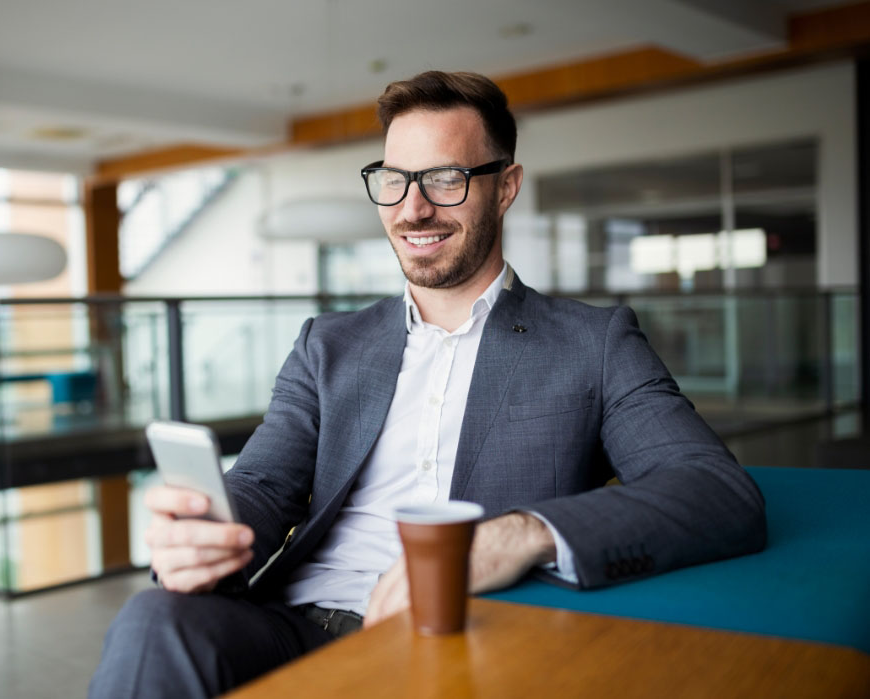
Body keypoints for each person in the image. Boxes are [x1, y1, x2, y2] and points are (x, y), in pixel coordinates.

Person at [88, 71, 766, 698]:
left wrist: (516, 533)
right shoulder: (327, 344)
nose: (412, 208)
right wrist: (208, 532)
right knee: (156, 617)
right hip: (289, 628)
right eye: (393, 177)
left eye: (444, 178)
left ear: (505, 185)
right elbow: (265, 483)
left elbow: (716, 491)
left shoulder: (591, 342)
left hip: (460, 636)